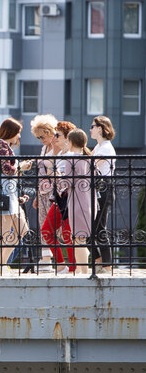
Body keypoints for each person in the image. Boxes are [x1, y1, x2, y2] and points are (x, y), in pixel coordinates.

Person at [0, 118, 31, 274]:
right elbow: (7, 169)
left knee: (21, 230)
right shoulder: (1, 144)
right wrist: (22, 166)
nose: (19, 136)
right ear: (10, 132)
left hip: (8, 193)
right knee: (3, 233)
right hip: (3, 194)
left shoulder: (1, 145)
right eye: (18, 132)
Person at [40, 121, 77, 274]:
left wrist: (58, 176)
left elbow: (71, 178)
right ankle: (62, 264)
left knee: (68, 234)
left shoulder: (72, 155)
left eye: (57, 135)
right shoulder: (60, 154)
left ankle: (73, 268)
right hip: (59, 198)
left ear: (67, 138)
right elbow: (49, 169)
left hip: (69, 199)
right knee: (46, 230)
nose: (54, 138)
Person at [62, 129, 97, 275]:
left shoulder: (71, 159)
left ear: (71, 142)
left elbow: (68, 181)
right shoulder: (89, 158)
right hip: (89, 200)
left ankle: (84, 271)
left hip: (77, 201)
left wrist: (59, 179)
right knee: (80, 237)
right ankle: (83, 270)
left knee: (78, 238)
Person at [30, 114, 59, 270]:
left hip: (54, 189)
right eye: (38, 137)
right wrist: (36, 193)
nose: (41, 139)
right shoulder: (44, 148)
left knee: (55, 226)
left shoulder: (57, 145)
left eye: (42, 136)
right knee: (43, 225)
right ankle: (46, 259)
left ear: (49, 131)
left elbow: (54, 166)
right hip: (42, 190)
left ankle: (60, 259)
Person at [89, 116, 116, 274]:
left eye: (92, 126)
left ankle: (106, 265)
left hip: (104, 189)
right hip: (98, 189)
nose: (90, 129)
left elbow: (92, 167)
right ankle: (99, 261)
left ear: (100, 128)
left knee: (99, 227)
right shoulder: (99, 147)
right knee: (92, 228)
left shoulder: (105, 147)